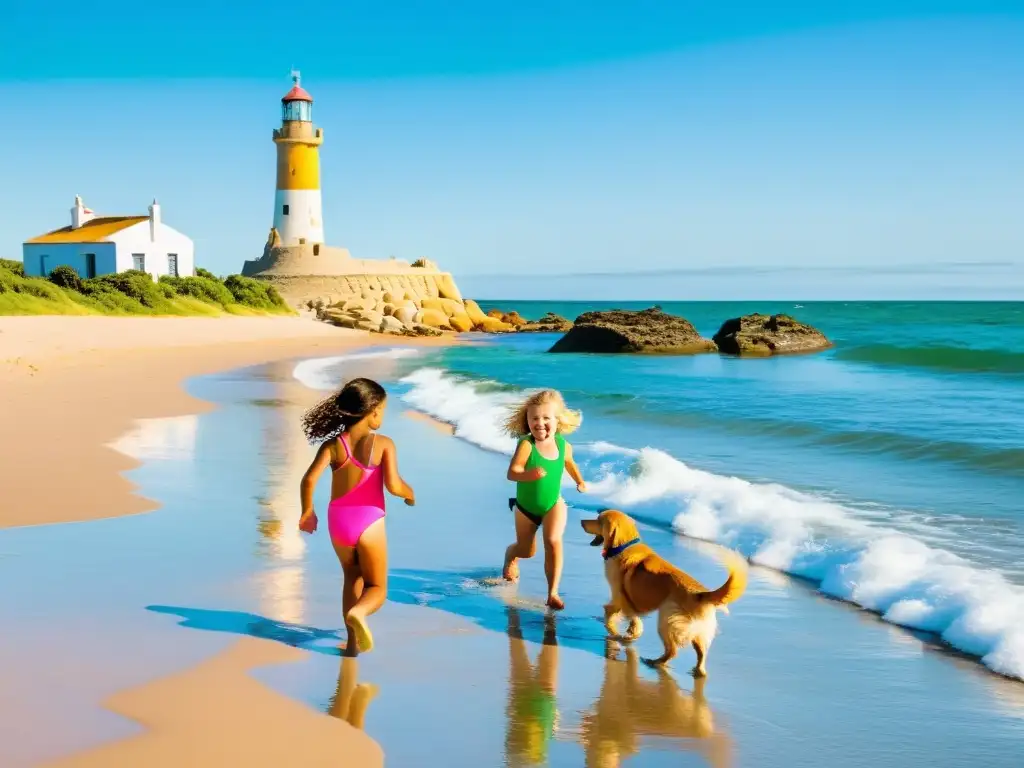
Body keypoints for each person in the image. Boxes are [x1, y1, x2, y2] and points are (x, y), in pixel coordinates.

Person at [298, 377, 415, 655]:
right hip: (369, 521)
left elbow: (308, 480)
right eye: (382, 411)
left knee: (352, 577)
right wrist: (410, 494)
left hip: (338, 521)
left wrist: (307, 512)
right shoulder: (383, 443)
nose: (382, 416)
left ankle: (351, 645)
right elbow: (394, 486)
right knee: (376, 586)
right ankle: (360, 614)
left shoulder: (333, 445)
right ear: (372, 411)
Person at [502, 389, 587, 610]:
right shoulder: (527, 445)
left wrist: (579, 480)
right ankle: (511, 555)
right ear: (527, 421)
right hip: (525, 508)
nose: (540, 423)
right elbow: (512, 472)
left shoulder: (563, 445)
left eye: (546, 418)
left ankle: (553, 593)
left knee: (553, 541)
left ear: (557, 420)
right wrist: (528, 475)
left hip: (553, 504)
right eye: (534, 419)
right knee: (526, 551)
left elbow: (569, 462)